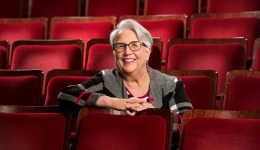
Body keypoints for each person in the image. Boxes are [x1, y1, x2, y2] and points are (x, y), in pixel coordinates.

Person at [58, 19, 193, 149]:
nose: (127, 52)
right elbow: (65, 95)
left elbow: (187, 124)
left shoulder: (169, 84)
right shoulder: (106, 80)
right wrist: (112, 102)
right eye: (121, 46)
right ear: (114, 53)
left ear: (148, 53)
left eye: (135, 45)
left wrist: (155, 113)